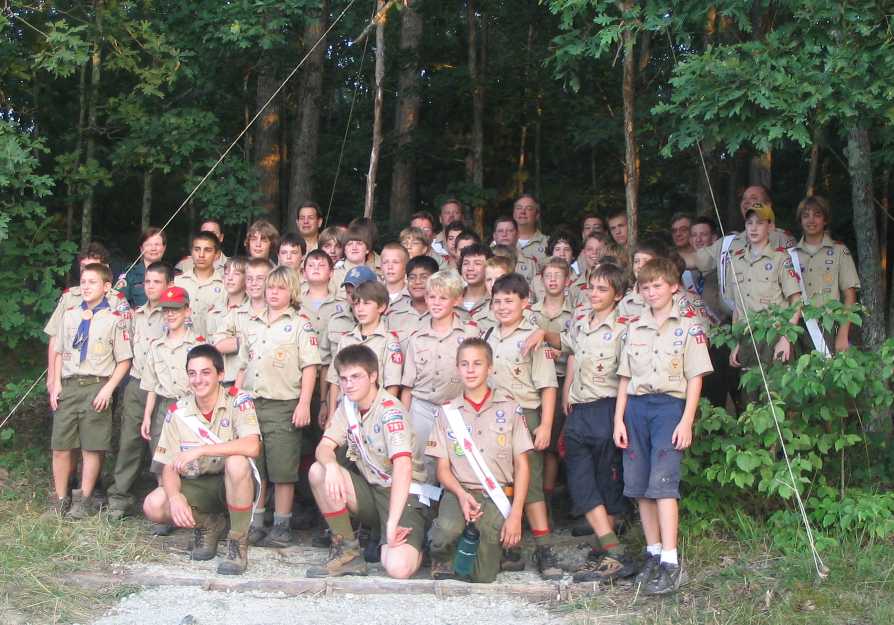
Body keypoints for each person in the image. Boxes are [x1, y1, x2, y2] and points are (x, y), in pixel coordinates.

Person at [613, 257, 713, 594]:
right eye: (646, 286)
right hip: (636, 410)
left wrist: (687, 420)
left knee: (664, 484)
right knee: (640, 486)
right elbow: (624, 378)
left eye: (658, 285)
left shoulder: (688, 327)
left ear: (673, 287)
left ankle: (671, 561)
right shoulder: (633, 327)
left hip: (669, 408)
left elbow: (695, 378)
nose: (652, 291)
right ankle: (652, 554)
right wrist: (618, 421)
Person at [306, 344, 428, 579]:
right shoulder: (348, 406)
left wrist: (392, 523)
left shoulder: (390, 411)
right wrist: (331, 466)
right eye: (343, 378)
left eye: (356, 377)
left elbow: (403, 467)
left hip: (403, 495)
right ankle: (348, 553)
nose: (348, 384)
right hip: (372, 491)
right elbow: (324, 446)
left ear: (373, 376)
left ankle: (420, 544)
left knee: (398, 569)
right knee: (317, 471)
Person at [142, 344, 261, 575]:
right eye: (192, 373)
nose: (198, 380)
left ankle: (237, 541)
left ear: (220, 375)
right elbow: (168, 465)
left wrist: (203, 449)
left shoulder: (238, 401)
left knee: (237, 461)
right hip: (198, 484)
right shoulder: (178, 412)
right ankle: (209, 525)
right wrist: (175, 497)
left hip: (236, 483)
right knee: (154, 505)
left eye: (206, 372)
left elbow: (252, 446)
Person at [426, 339, 533, 582]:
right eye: (464, 364)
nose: (471, 370)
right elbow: (442, 469)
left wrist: (516, 515)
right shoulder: (447, 412)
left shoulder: (509, 408)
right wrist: (462, 496)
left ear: (490, 368)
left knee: (483, 577)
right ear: (457, 369)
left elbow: (523, 466)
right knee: (445, 532)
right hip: (460, 491)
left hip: (496, 494)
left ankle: (483, 549)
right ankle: (442, 553)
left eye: (477, 363)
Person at [561, 262, 636, 581]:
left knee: (608, 482)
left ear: (617, 295)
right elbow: (570, 351)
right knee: (580, 482)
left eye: (603, 289)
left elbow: (625, 377)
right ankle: (612, 549)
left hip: (607, 410)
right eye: (591, 287)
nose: (594, 293)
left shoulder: (625, 328)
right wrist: (567, 391)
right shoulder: (580, 320)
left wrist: (618, 419)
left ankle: (609, 548)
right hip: (579, 410)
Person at [236, 266, 321, 547]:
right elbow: (243, 364)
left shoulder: (300, 325)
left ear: (292, 292)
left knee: (283, 469)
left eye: (281, 288)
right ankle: (257, 521)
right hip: (252, 404)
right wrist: (237, 397)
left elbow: (310, 367)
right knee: (255, 466)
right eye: (270, 287)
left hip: (283, 404)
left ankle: (282, 523)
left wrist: (304, 404)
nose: (273, 292)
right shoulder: (253, 323)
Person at [485, 273, 562, 580]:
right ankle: (511, 548)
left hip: (525, 417)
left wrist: (544, 425)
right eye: (497, 301)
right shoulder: (489, 335)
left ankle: (544, 548)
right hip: (494, 420)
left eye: (509, 301)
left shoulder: (532, 338)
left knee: (530, 488)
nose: (502, 307)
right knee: (501, 484)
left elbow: (548, 387)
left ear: (525, 303)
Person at [48, 263, 132, 517]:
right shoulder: (70, 314)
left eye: (92, 282)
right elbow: (60, 351)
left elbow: (124, 360)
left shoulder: (114, 320)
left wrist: (109, 389)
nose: (86, 286)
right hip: (70, 385)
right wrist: (56, 383)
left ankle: (82, 500)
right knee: (61, 446)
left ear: (107, 287)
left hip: (97, 386)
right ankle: (61, 499)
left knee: (91, 447)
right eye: (83, 282)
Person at [400, 270, 479, 480]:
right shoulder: (416, 336)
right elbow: (407, 386)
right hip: (422, 408)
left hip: (457, 408)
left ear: (456, 300)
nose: (436, 303)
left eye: (443, 298)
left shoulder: (469, 334)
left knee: (457, 462)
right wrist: (406, 420)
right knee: (421, 463)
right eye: (431, 297)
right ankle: (422, 509)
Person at [108, 261, 172, 519]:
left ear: (168, 285)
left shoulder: (173, 314)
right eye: (147, 281)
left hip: (164, 388)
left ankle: (165, 501)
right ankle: (119, 497)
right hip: (136, 385)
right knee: (129, 442)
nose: (151, 286)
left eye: (157, 281)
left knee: (162, 445)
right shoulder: (135, 315)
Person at [46, 243, 128, 402]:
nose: (87, 271)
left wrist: (112, 385)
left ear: (105, 268)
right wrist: (51, 377)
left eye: (93, 266)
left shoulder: (117, 300)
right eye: (84, 267)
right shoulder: (70, 296)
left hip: (102, 380)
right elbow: (55, 337)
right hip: (68, 377)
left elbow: (124, 346)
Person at [727, 203, 802, 371]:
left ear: (770, 226)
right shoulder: (736, 261)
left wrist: (786, 339)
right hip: (747, 338)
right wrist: (737, 342)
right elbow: (737, 308)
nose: (753, 228)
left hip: (774, 335)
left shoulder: (780, 259)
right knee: (749, 394)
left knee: (776, 392)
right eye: (749, 223)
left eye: (760, 223)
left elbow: (796, 301)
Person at [527, 258, 575, 513]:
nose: (553, 280)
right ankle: (534, 500)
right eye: (548, 275)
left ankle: (547, 500)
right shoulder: (531, 312)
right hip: (533, 381)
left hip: (561, 379)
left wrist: (560, 351)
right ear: (541, 280)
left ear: (568, 280)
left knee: (553, 443)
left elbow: (577, 346)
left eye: (558, 275)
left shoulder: (576, 311)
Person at [140, 286, 206, 467]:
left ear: (187, 311)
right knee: (161, 463)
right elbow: (151, 386)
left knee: (191, 463)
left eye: (175, 309)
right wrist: (147, 417)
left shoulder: (199, 345)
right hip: (164, 407)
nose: (170, 314)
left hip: (192, 406)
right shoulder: (156, 346)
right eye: (166, 310)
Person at [791, 195, 860, 352]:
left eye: (817, 214)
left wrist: (843, 334)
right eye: (806, 215)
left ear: (825, 219)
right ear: (800, 220)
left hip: (830, 325)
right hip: (799, 327)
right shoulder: (790, 256)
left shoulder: (839, 251)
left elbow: (850, 296)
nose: (811, 220)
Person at [326, 281, 403, 416]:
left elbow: (392, 385)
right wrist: (332, 415)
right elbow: (334, 381)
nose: (360, 309)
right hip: (345, 411)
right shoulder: (346, 340)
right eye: (356, 304)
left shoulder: (389, 341)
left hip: (375, 411)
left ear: (381, 307)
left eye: (366, 303)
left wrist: (386, 413)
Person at [204, 257, 249, 386]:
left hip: (239, 380)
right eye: (226, 273)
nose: (229, 278)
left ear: (247, 279)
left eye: (236, 274)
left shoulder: (251, 310)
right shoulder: (213, 310)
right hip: (214, 380)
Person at [174, 231, 227, 335]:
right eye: (197, 249)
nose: (201, 255)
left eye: (207, 250)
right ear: (191, 252)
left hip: (212, 348)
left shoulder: (225, 286)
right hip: (182, 347)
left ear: (216, 255)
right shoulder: (177, 283)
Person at [385, 255, 438, 346]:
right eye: (412, 277)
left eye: (424, 277)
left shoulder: (446, 313)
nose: (417, 282)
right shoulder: (393, 315)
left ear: (436, 279)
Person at [118, 228, 167, 307]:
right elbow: (118, 300)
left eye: (157, 244)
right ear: (141, 249)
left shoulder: (173, 274)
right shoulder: (130, 273)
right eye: (148, 245)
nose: (153, 249)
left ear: (164, 248)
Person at [513, 194, 550, 266]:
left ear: (537, 215)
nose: (522, 212)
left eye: (529, 209)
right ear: (514, 214)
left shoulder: (548, 243)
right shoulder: (500, 241)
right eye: (519, 208)